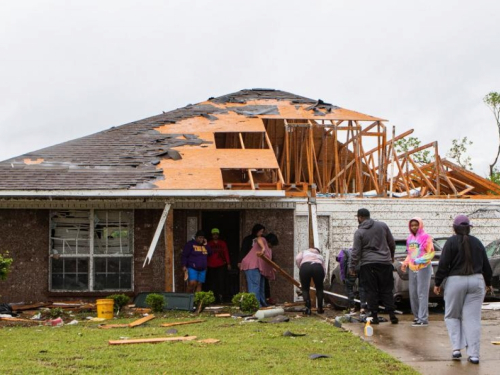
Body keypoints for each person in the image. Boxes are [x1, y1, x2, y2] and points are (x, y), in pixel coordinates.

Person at [434, 214, 493, 365]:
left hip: (455, 281)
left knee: (452, 316)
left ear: (454, 228)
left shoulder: (451, 242)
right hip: (476, 280)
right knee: (472, 319)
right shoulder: (477, 242)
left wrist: (438, 283)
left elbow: (443, 264)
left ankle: (456, 349)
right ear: (469, 228)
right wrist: (489, 282)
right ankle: (473, 355)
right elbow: (486, 265)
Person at [349, 208, 398, 324]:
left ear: (360, 217)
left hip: (368, 265)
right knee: (387, 290)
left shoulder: (359, 232)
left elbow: (356, 251)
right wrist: (391, 256)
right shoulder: (383, 226)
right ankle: (392, 316)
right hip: (385, 264)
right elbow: (392, 243)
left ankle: (374, 317)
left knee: (371, 291)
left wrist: (352, 267)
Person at [401, 217, 435, 327]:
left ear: (420, 225)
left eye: (416, 225)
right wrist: (406, 263)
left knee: (422, 293)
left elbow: (431, 254)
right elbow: (411, 254)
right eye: (412, 225)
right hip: (412, 268)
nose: (414, 227)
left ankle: (423, 319)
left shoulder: (426, 237)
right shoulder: (410, 238)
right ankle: (417, 317)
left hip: (424, 267)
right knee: (413, 293)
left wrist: (418, 261)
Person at [240, 232, 278, 307]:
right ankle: (256, 304)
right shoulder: (263, 241)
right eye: (272, 244)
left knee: (261, 285)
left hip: (259, 268)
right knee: (255, 285)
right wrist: (263, 247)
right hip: (252, 265)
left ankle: (262, 303)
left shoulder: (269, 249)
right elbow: (259, 238)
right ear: (269, 241)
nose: (271, 246)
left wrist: (272, 267)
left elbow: (267, 260)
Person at [296, 247, 326, 315]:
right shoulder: (320, 256)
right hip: (318, 267)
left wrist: (300, 267)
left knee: (305, 289)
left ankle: (308, 309)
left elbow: (298, 258)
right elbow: (324, 269)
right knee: (319, 289)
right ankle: (320, 309)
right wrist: (321, 279)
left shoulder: (304, 252)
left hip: (305, 267)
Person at [337, 248, 367, 314]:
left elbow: (342, 264)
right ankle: (362, 308)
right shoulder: (361, 251)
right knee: (362, 288)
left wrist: (343, 277)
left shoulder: (343, 252)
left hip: (352, 269)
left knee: (349, 288)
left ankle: (352, 308)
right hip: (363, 269)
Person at [206, 228, 231, 303]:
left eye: (216, 234)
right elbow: (205, 255)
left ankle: (221, 297)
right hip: (211, 265)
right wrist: (205, 265)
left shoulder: (222, 243)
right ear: (212, 235)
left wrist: (228, 263)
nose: (215, 236)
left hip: (221, 264)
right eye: (214, 234)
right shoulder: (208, 244)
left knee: (221, 281)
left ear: (218, 235)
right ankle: (213, 297)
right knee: (212, 282)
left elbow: (226, 253)